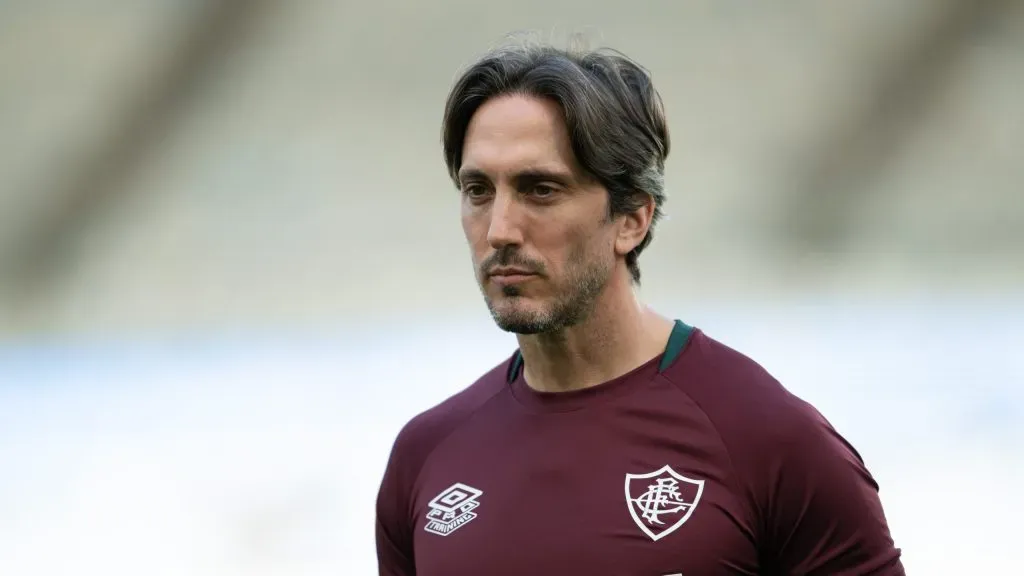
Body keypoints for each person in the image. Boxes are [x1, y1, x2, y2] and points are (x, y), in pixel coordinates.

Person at [375, 39, 905, 575]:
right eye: (478, 190)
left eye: (540, 189)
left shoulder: (770, 442)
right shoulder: (427, 457)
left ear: (633, 219)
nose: (500, 229)